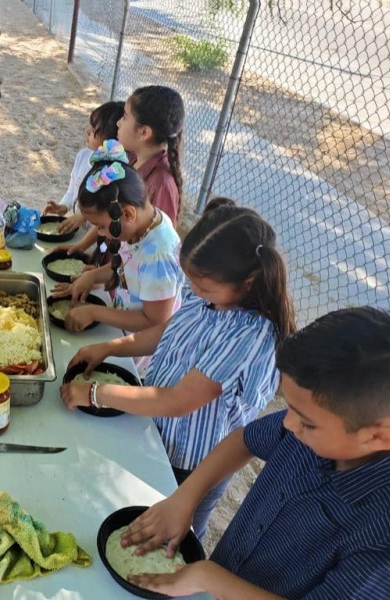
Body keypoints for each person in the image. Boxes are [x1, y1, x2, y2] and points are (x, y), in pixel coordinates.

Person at [122, 307, 390, 599]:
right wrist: (184, 499)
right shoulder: (317, 425)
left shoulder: (389, 534)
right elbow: (243, 440)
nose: (287, 423)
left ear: (378, 437)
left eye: (306, 422)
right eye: (289, 408)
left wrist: (209, 577)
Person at [62, 198, 296, 539]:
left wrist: (97, 393)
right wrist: (109, 348)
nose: (194, 291)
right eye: (193, 283)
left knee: (176, 533)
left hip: (192, 462)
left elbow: (178, 400)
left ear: (247, 283)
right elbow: (168, 331)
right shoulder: (210, 293)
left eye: (204, 287)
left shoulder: (251, 334)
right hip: (157, 432)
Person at [52, 140, 184, 351]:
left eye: (101, 226)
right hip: (118, 329)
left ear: (128, 214)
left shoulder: (158, 255)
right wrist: (94, 276)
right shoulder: (139, 227)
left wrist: (94, 312)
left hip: (138, 352)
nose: (100, 234)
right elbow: (126, 267)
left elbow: (154, 320)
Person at [61, 85, 185, 256]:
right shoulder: (129, 160)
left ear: (144, 132)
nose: (119, 123)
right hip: (112, 266)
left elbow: (157, 251)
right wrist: (81, 247)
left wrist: (105, 276)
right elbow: (106, 218)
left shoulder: (162, 184)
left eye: (125, 117)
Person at [42, 100, 123, 235]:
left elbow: (109, 208)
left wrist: (83, 216)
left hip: (98, 237)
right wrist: (63, 207)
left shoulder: (115, 170)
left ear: (111, 139)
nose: (87, 131)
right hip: (79, 232)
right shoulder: (83, 156)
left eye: (94, 130)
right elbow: (72, 191)